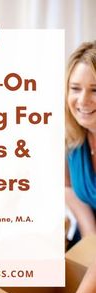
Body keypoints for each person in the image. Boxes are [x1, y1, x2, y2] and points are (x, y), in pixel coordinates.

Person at [65, 41, 96, 247]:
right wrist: (89, 233)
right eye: (75, 88)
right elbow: (66, 186)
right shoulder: (71, 136)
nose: (83, 100)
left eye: (95, 90)